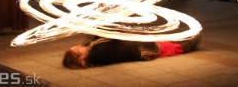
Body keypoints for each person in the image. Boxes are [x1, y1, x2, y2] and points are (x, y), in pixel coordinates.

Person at [62, 34, 201, 69]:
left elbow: (98, 35)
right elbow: (112, 41)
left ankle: (188, 41)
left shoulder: (89, 48)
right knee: (166, 48)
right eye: (78, 49)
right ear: (80, 57)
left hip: (133, 43)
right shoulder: (97, 56)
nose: (79, 45)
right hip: (138, 49)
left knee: (164, 43)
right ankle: (190, 45)